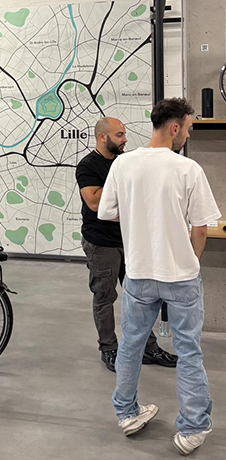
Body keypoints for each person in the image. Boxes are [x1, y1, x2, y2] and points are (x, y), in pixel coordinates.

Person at [98, 98, 220, 455]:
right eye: (188, 128)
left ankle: (127, 413)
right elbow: (201, 227)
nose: (188, 134)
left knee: (131, 345)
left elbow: (107, 212)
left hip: (138, 272)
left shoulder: (123, 165)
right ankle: (193, 428)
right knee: (189, 351)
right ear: (174, 127)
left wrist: (141, 218)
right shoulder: (187, 169)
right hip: (179, 274)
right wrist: (190, 260)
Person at [76, 117, 177, 372]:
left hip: (130, 239)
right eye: (119, 135)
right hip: (101, 243)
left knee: (141, 297)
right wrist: (121, 180)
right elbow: (95, 203)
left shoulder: (124, 162)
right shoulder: (88, 165)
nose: (125, 139)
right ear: (102, 137)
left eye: (124, 134)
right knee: (105, 296)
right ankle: (109, 349)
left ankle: (148, 347)